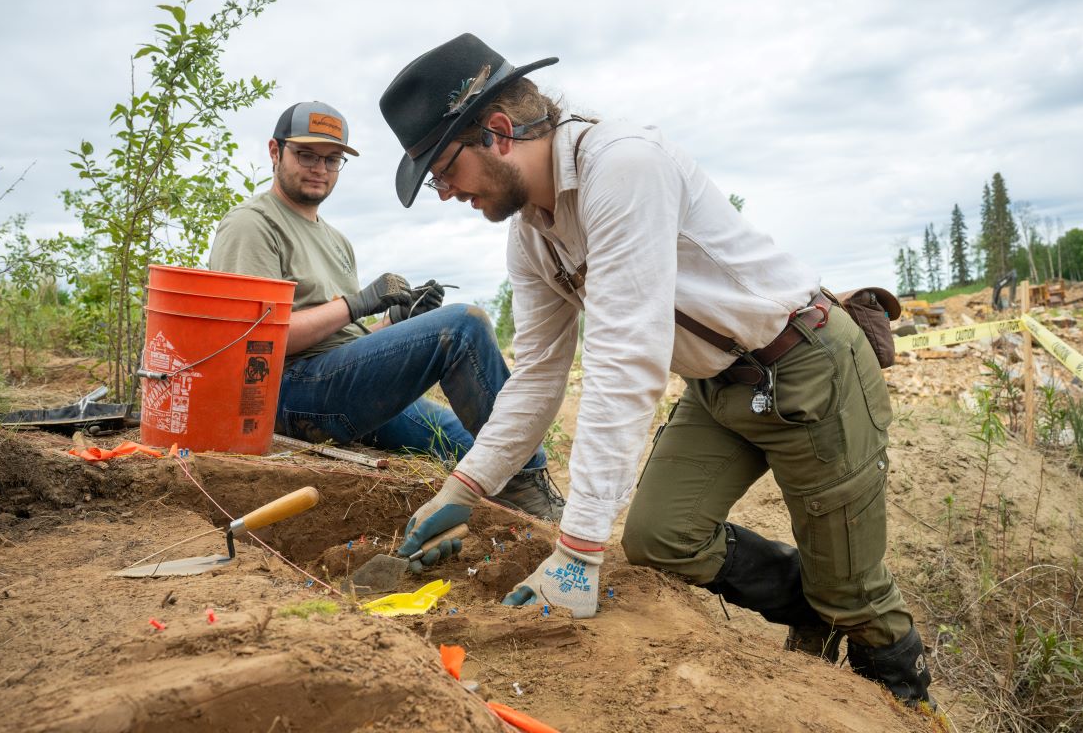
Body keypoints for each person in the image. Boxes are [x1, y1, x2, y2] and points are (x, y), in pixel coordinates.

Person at [376, 35, 932, 705]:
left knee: (856, 591)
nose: (443, 193)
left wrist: (579, 552)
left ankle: (907, 699)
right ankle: (811, 605)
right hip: (721, 388)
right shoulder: (530, 238)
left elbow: (625, 358)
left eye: (442, 171)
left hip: (807, 368)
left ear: (496, 133)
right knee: (661, 539)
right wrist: (465, 488)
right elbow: (539, 375)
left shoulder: (623, 167)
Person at [208, 100, 565, 522]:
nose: (319, 168)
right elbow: (254, 342)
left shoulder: (337, 241)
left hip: (337, 386)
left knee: (473, 450)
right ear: (274, 151)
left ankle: (523, 493)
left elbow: (345, 343)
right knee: (462, 326)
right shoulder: (252, 224)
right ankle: (529, 481)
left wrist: (396, 322)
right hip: (288, 393)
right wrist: (356, 302)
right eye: (306, 155)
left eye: (332, 159)